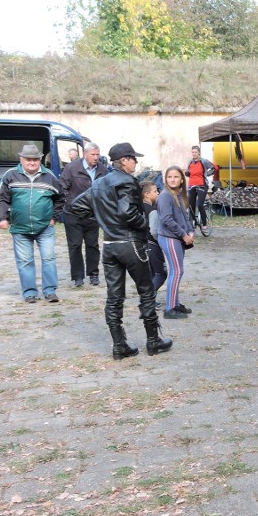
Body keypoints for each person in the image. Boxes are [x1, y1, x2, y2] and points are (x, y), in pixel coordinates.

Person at [69, 142, 172, 360]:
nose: (136, 162)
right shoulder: (126, 181)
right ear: (124, 160)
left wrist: (104, 221)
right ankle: (153, 341)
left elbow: (77, 206)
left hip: (109, 245)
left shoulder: (99, 183)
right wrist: (143, 223)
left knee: (114, 297)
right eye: (133, 158)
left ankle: (119, 346)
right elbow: (127, 213)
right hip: (130, 243)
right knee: (146, 291)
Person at [0, 144, 63, 303]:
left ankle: (50, 291)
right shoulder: (11, 175)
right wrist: (2, 218)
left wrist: (54, 217)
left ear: (40, 160)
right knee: (25, 261)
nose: (32, 163)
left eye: (35, 159)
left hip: (45, 227)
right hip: (20, 229)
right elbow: (2, 198)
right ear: (21, 159)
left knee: (49, 259)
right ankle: (30, 293)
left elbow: (61, 198)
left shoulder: (50, 176)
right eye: (28, 159)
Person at [59, 141, 108, 287]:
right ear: (85, 154)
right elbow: (62, 187)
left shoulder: (103, 170)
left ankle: (93, 274)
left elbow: (106, 190)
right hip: (73, 214)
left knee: (93, 245)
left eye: (97, 154)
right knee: (75, 245)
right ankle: (78, 277)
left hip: (93, 214)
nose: (96, 157)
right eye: (93, 154)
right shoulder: (72, 168)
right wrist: (72, 203)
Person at [157, 166, 195, 319]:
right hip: (170, 238)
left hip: (178, 238)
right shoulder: (165, 196)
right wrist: (182, 234)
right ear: (165, 179)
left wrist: (190, 231)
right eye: (169, 177)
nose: (172, 179)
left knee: (177, 271)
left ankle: (175, 304)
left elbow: (184, 217)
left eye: (176, 177)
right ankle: (170, 309)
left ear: (181, 179)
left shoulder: (178, 195)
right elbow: (166, 220)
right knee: (176, 271)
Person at [142, 181, 167, 293]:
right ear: (147, 194)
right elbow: (154, 231)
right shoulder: (152, 211)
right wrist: (162, 242)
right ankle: (149, 298)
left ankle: (149, 299)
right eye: (155, 191)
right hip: (153, 245)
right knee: (161, 274)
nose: (158, 193)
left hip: (142, 245)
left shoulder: (137, 208)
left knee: (151, 274)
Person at [185, 146, 215, 230]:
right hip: (191, 185)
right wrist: (187, 173)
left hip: (202, 185)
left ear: (199, 153)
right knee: (191, 206)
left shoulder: (204, 161)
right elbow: (189, 173)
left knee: (200, 205)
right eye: (193, 152)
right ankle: (192, 224)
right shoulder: (190, 162)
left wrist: (207, 174)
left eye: (195, 152)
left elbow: (213, 168)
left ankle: (204, 223)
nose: (194, 154)